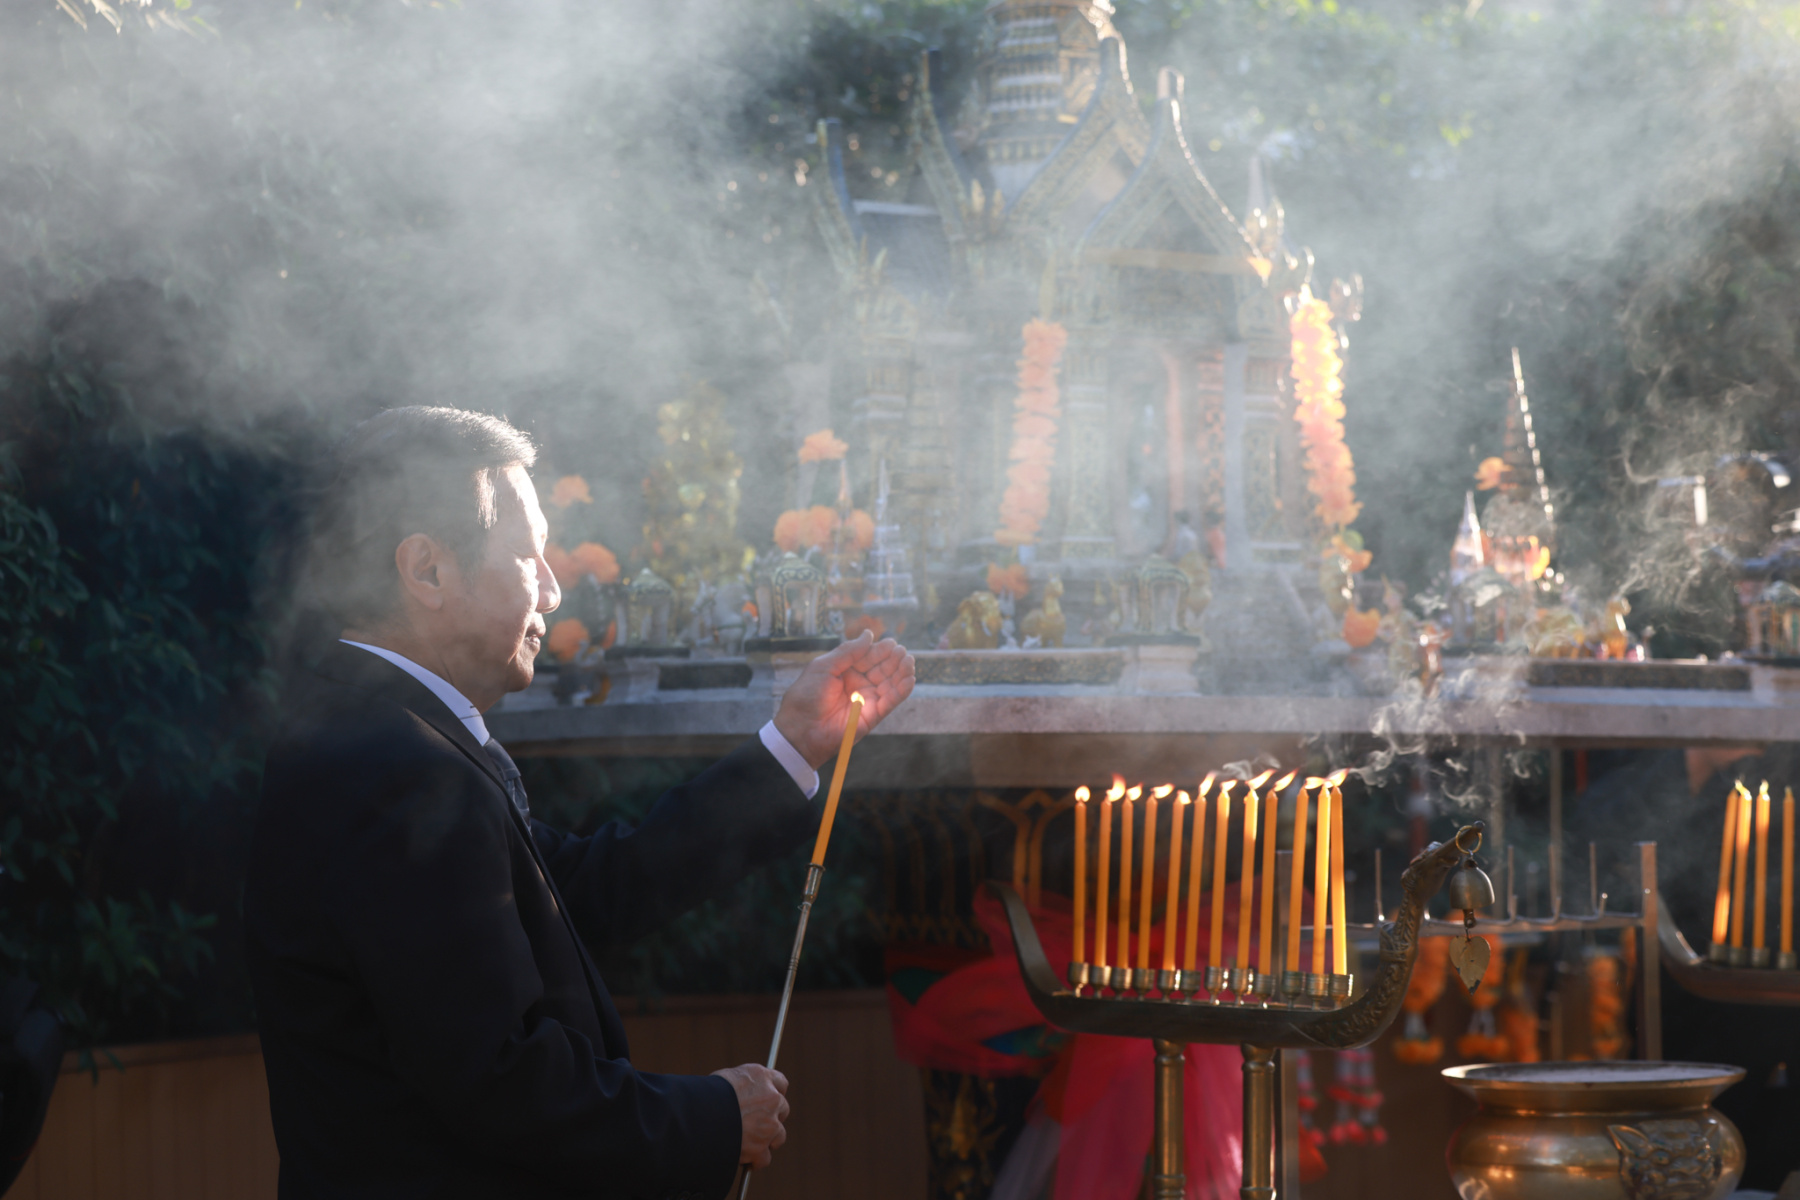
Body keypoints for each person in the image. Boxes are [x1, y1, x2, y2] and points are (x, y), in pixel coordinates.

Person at [245, 407, 915, 1199]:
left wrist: (792, 745)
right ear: (427, 570)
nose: (555, 589)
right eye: (527, 555)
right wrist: (711, 1116)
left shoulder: (374, 729)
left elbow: (581, 893)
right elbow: (497, 1079)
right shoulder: (396, 764)